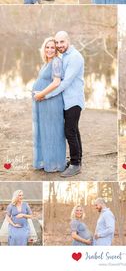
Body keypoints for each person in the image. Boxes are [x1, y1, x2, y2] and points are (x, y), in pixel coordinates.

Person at [35, 31, 85, 178]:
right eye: (57, 43)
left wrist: (45, 95)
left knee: (69, 131)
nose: (58, 46)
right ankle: (77, 160)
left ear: (68, 41)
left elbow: (65, 83)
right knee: (74, 130)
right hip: (67, 100)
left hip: (73, 100)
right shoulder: (65, 56)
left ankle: (75, 164)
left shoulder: (75, 57)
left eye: (61, 42)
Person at [32, 37, 66, 172]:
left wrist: (41, 94)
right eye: (47, 47)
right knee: (44, 131)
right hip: (43, 102)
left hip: (51, 101)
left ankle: (54, 163)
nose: (50, 50)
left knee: (52, 131)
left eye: (53, 47)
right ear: (43, 48)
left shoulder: (56, 61)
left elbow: (56, 82)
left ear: (56, 50)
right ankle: (46, 161)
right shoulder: (47, 62)